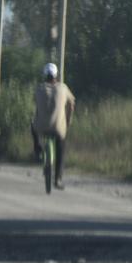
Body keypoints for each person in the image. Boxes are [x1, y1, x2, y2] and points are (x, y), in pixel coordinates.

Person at [31, 62, 75, 190]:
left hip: (40, 126)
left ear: (44, 75)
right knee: (61, 148)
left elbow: (36, 104)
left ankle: (37, 150)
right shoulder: (63, 88)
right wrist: (68, 120)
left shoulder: (38, 88)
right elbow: (72, 103)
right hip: (58, 127)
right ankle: (58, 179)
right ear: (56, 75)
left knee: (32, 126)